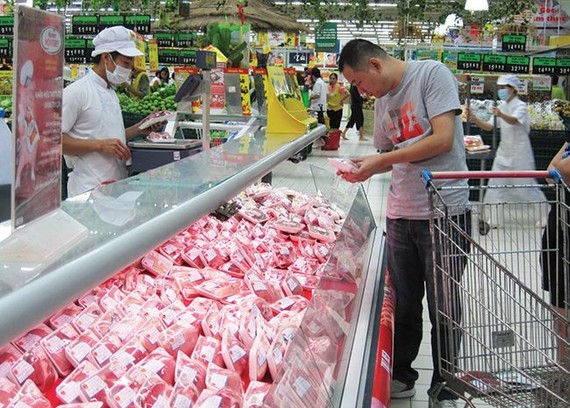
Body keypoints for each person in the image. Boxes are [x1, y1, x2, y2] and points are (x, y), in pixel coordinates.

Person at [337, 39, 471, 407]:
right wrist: (363, 166)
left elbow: (443, 140)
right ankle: (402, 375)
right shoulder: (382, 102)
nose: (361, 92)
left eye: (360, 83)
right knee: (406, 302)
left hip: (444, 211)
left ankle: (444, 384)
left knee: (444, 305)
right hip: (400, 212)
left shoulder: (432, 75)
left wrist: (382, 162)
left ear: (376, 65)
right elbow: (388, 152)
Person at [62, 26, 163, 198]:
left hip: (115, 187)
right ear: (107, 57)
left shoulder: (111, 92)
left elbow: (109, 136)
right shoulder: (77, 92)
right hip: (88, 191)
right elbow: (54, 142)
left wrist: (140, 128)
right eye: (125, 62)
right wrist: (100, 145)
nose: (130, 69)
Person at [467, 75, 547, 232]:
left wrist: (501, 115)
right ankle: (496, 218)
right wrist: (473, 117)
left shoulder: (521, 106)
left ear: (513, 88)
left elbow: (515, 121)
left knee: (526, 187)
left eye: (504, 87)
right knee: (495, 185)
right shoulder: (502, 106)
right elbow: (489, 126)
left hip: (520, 153)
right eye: (500, 87)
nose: (502, 91)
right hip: (503, 153)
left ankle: (543, 215)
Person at [542, 142, 570, 366]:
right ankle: (564, 367)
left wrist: (559, 171)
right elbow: (550, 173)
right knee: (559, 298)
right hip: (559, 227)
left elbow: (561, 171)